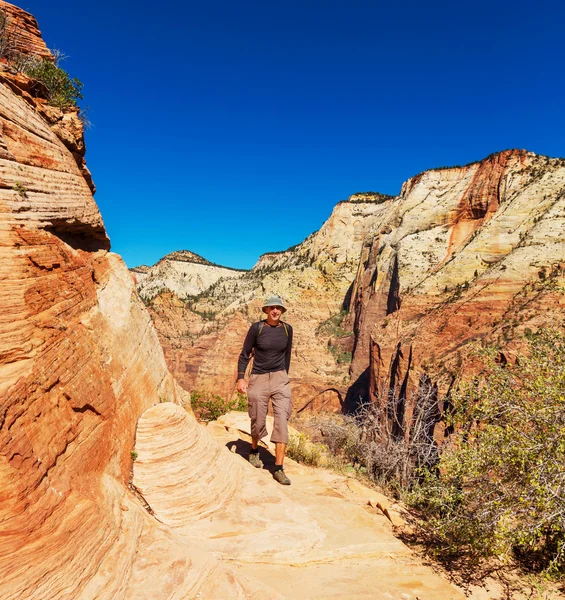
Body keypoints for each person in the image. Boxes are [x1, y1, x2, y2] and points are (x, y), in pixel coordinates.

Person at [236, 295, 293, 485]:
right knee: (258, 418)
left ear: (282, 311)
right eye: (272, 308)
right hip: (258, 377)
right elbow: (245, 354)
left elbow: (287, 355)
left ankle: (278, 468)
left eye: (279, 308)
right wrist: (241, 378)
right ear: (266, 310)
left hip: (280, 379)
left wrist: (284, 376)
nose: (275, 311)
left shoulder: (287, 330)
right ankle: (254, 450)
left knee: (282, 420)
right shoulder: (257, 328)